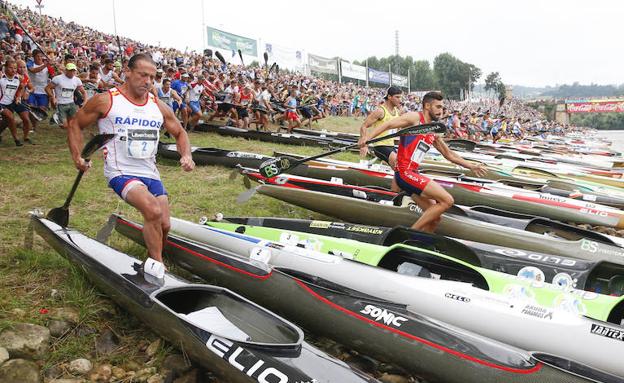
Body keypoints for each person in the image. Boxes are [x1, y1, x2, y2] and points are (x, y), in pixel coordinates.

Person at [67, 53, 195, 264]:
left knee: (164, 225)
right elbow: (75, 124)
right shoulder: (106, 100)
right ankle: (157, 266)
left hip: (150, 172)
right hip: (121, 172)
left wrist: (186, 155)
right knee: (152, 211)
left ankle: (153, 259)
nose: (148, 81)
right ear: (127, 71)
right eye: (142, 75)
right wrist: (77, 157)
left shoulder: (158, 106)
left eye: (152, 77)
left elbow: (180, 132)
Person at [360, 91, 487, 233]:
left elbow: (449, 154)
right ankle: (407, 234)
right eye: (438, 107)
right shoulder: (415, 118)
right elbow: (388, 125)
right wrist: (367, 140)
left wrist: (471, 166)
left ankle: (419, 242)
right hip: (404, 173)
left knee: (435, 217)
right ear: (427, 106)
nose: (441, 111)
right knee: (447, 200)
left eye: (442, 108)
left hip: (412, 174)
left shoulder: (432, 131)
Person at [358, 86, 402, 167]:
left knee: (399, 168)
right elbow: (364, 126)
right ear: (389, 97)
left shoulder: (397, 112)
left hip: (391, 146)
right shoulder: (380, 111)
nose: (400, 100)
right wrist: (364, 144)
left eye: (400, 97)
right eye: (397, 97)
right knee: (397, 164)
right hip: (380, 146)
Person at [45, 63, 87, 130]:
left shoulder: (77, 80)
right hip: (60, 104)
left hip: (71, 103)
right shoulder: (58, 79)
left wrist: (85, 101)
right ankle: (55, 118)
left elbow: (83, 92)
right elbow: (47, 88)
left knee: (72, 124)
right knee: (64, 126)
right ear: (66, 70)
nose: (72, 72)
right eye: (70, 70)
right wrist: (52, 97)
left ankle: (68, 129)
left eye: (74, 70)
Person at [0, 59, 30, 145]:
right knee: (10, 117)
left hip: (11, 102)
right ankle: (16, 140)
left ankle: (26, 137)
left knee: (26, 118)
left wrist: (18, 97)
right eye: (11, 68)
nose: (13, 70)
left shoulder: (19, 78)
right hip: (1, 103)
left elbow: (21, 87)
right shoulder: (1, 76)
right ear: (5, 68)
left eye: (15, 68)